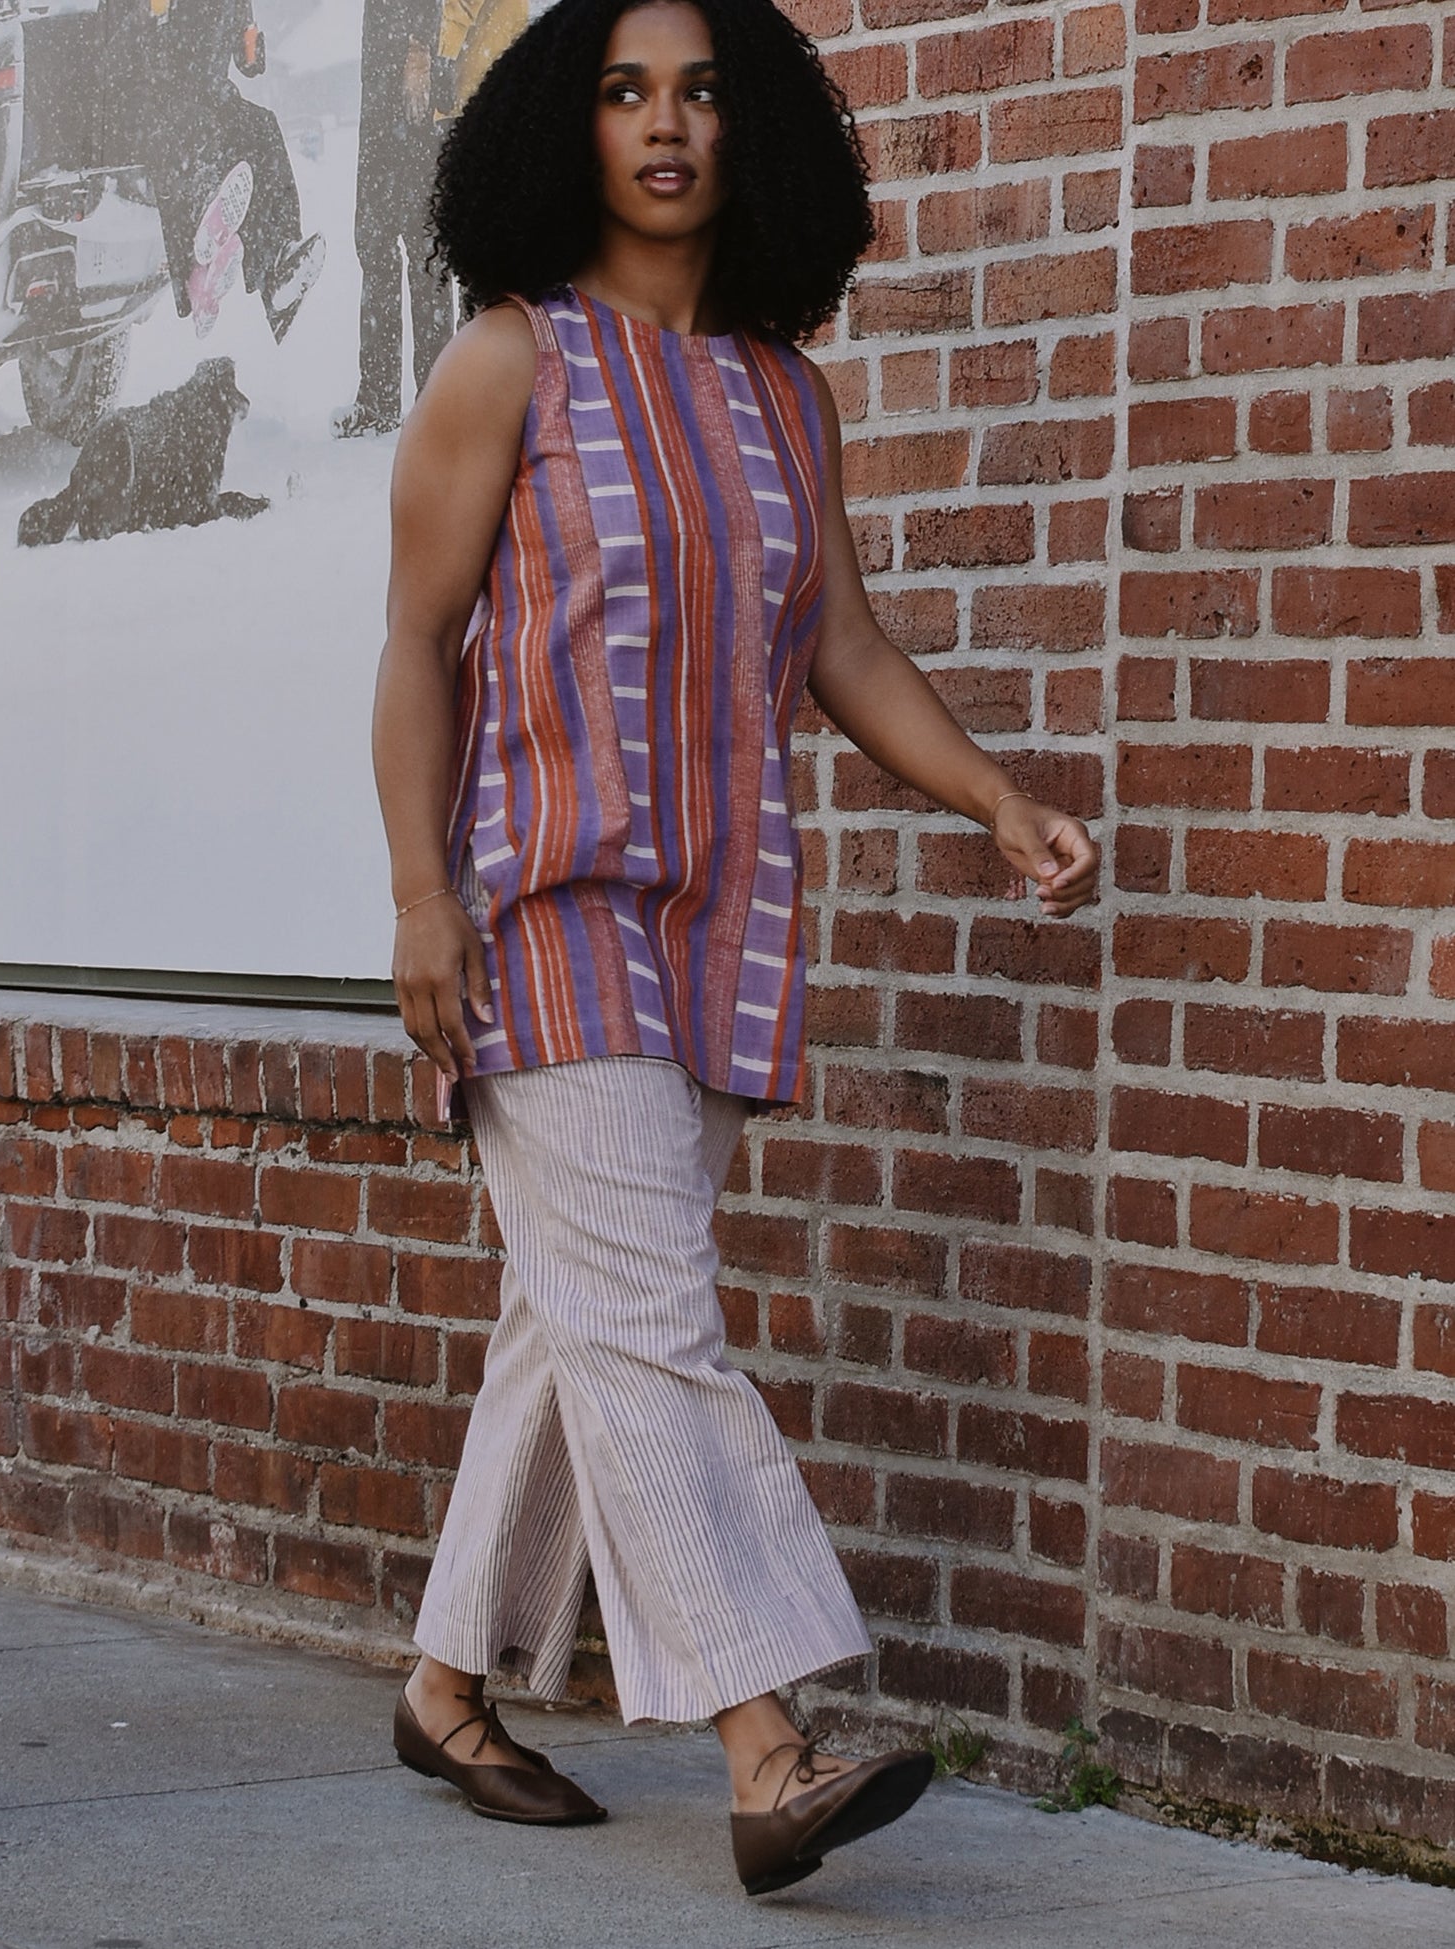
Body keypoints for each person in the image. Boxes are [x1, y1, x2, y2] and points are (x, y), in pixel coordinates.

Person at [370, 0, 1098, 1899]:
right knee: (652, 1316)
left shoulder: (787, 395)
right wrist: (418, 898)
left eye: (700, 93)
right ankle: (769, 1735)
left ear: (751, 131)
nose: (665, 126)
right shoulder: (507, 365)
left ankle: (447, 1685)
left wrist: (995, 799)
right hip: (540, 909)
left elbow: (840, 647)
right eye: (624, 93)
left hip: (722, 924)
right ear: (568, 130)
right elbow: (414, 646)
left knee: (584, 1314)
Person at [112, 0, 324, 339]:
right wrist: (149, 17)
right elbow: (119, 54)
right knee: (196, 133)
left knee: (261, 128)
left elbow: (249, 66)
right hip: (148, 104)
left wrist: (252, 44)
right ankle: (202, 258)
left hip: (211, 98)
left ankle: (277, 266)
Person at [333, 0, 452, 439]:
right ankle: (379, 399)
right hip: (379, 106)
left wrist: (420, 49)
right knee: (374, 243)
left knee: (427, 254)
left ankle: (438, 399)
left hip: (415, 101)